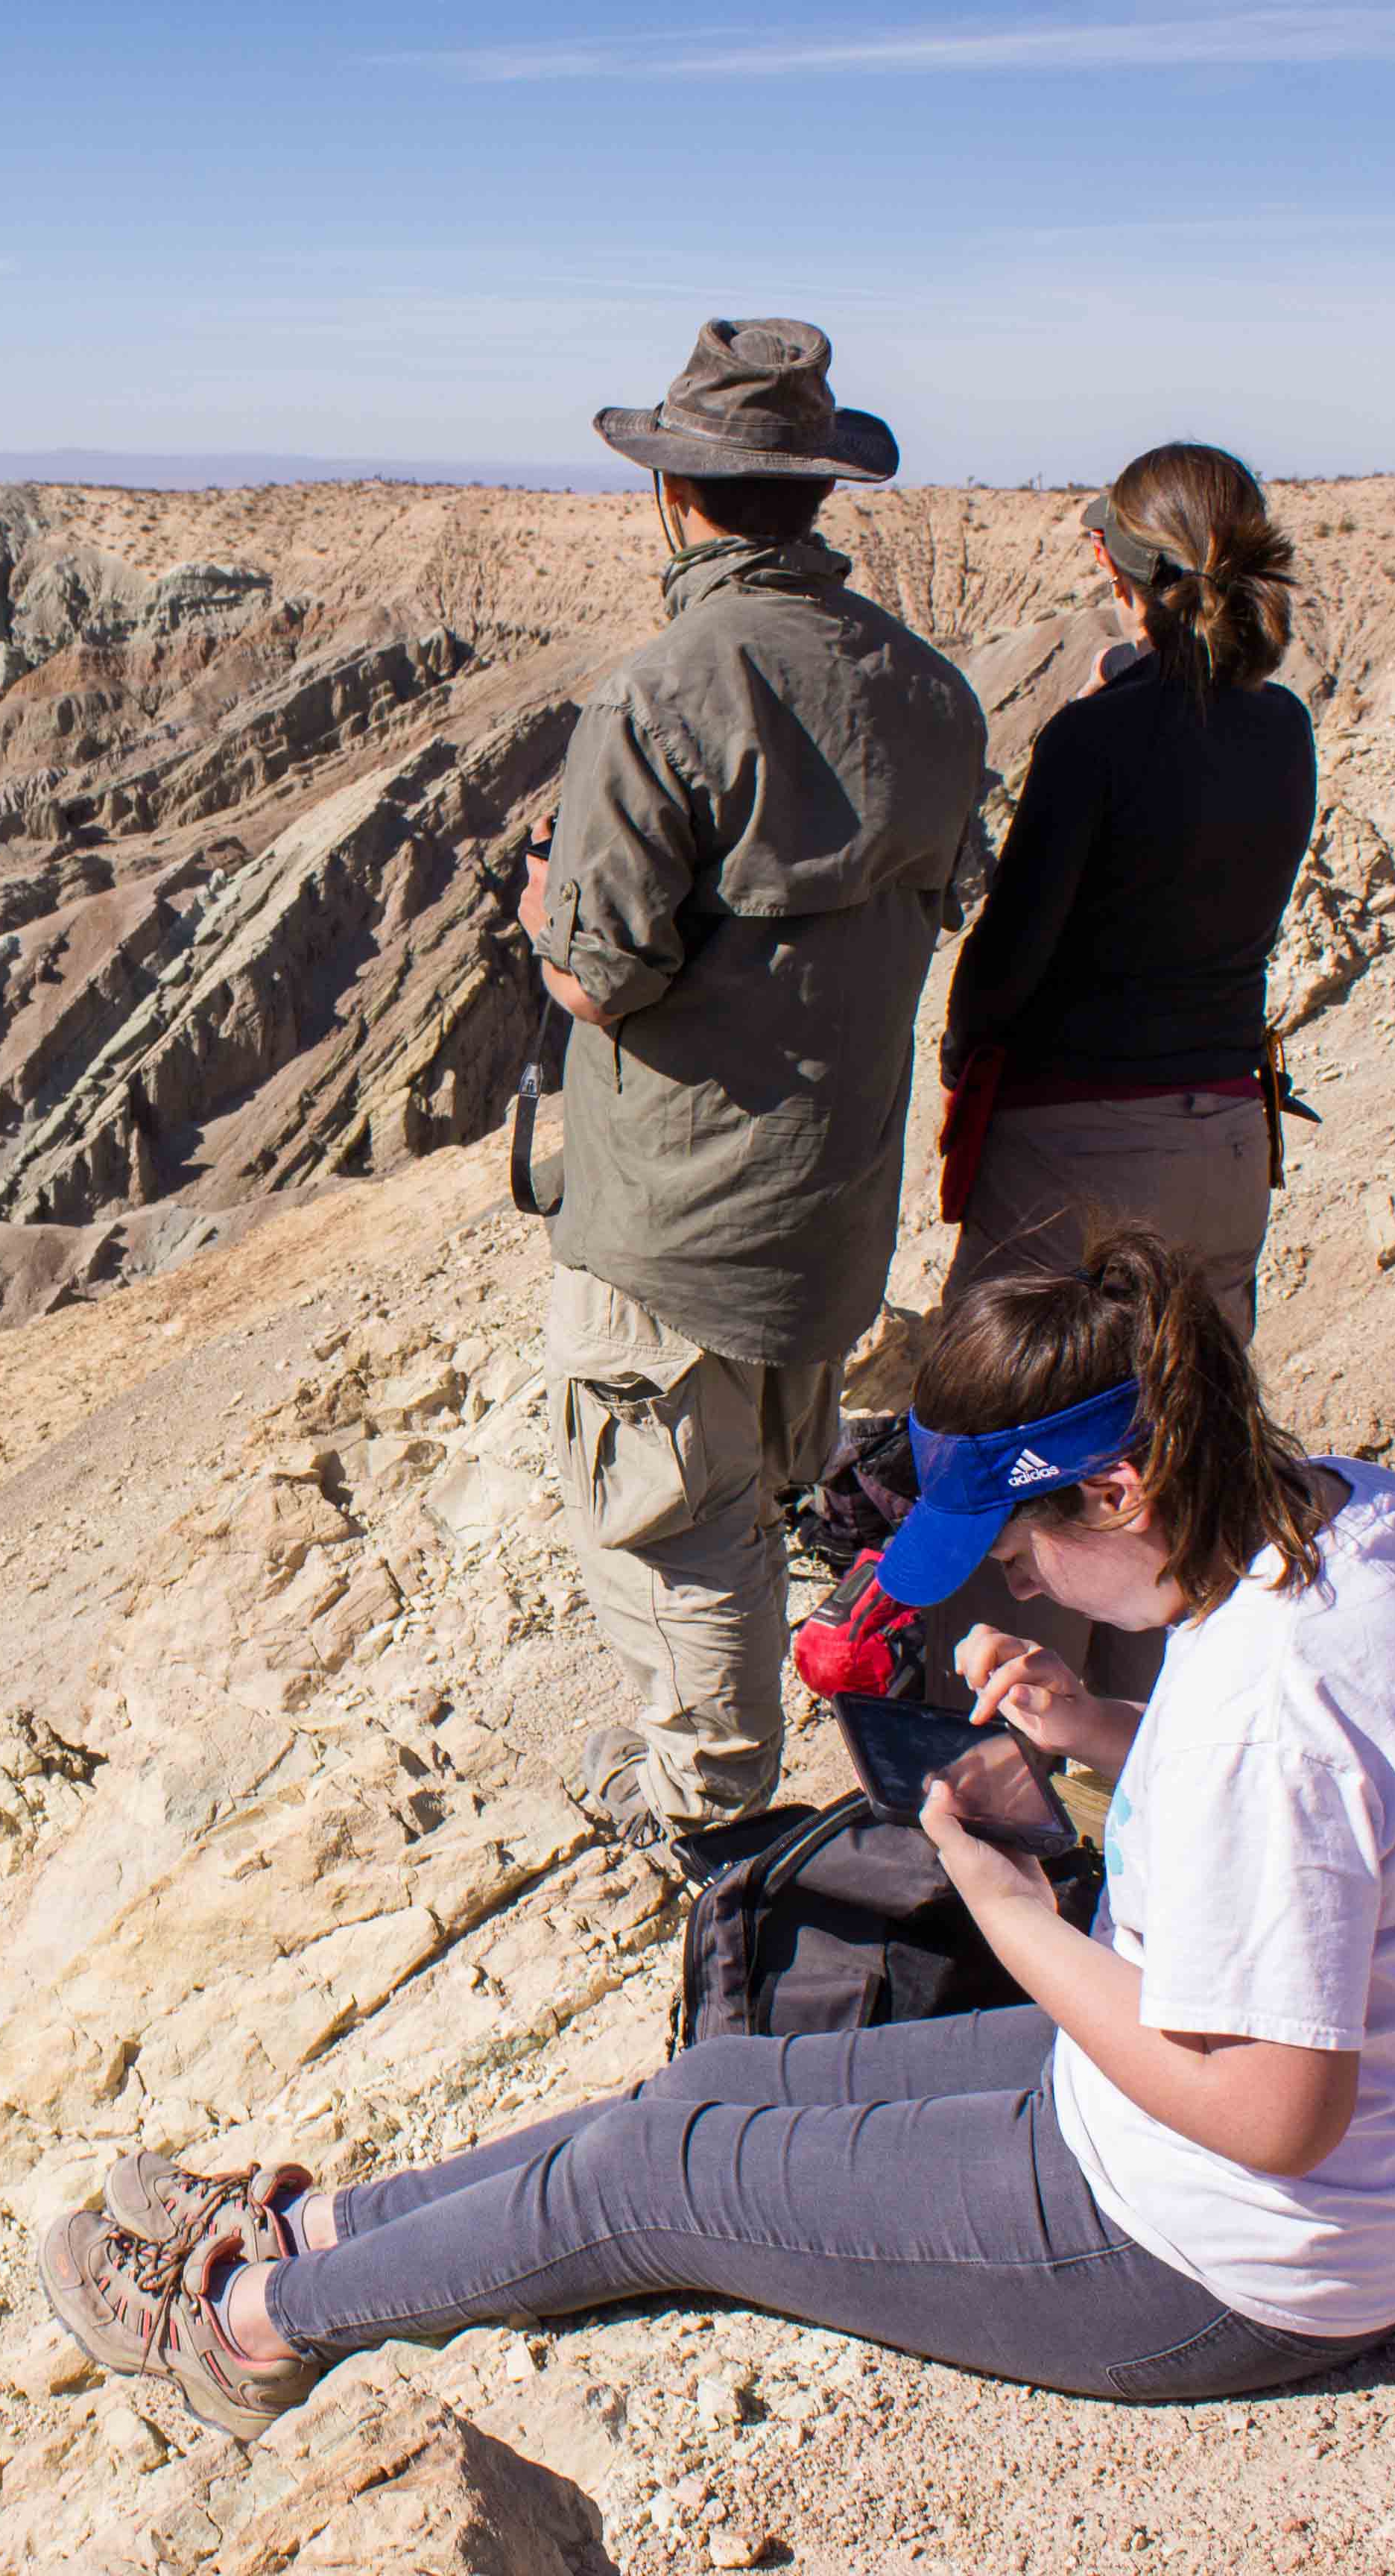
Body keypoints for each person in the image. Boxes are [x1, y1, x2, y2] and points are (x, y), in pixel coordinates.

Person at [35, 1226, 1395, 2436]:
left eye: (1025, 1544)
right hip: (1208, 2152)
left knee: (657, 2182)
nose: (1019, 1585)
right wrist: (1094, 1734)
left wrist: (1009, 1912)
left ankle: (243, 2329)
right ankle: (320, 2230)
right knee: (721, 2079)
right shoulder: (1363, 1523)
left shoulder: (1267, 1709)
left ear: (1121, 1484)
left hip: (1227, 2261)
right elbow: (1338, 1818)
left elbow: (1280, 2114)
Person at [520, 317, 987, 1857]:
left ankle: (707, 1800)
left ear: (677, 496)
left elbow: (605, 974)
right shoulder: (931, 693)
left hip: (677, 1213)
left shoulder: (658, 696)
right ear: (814, 496)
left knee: (675, 1515)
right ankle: (708, 1743)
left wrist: (542, 924)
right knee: (755, 1480)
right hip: (833, 1201)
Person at [925, 441, 1316, 1699]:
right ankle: (1164, 1740)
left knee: (1024, 1445)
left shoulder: (1097, 740)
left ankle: (997, 1762)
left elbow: (1012, 955)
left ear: (1115, 565)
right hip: (1225, 1144)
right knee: (1180, 1448)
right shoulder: (1283, 730)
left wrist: (959, 1043)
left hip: (1079, 1151)